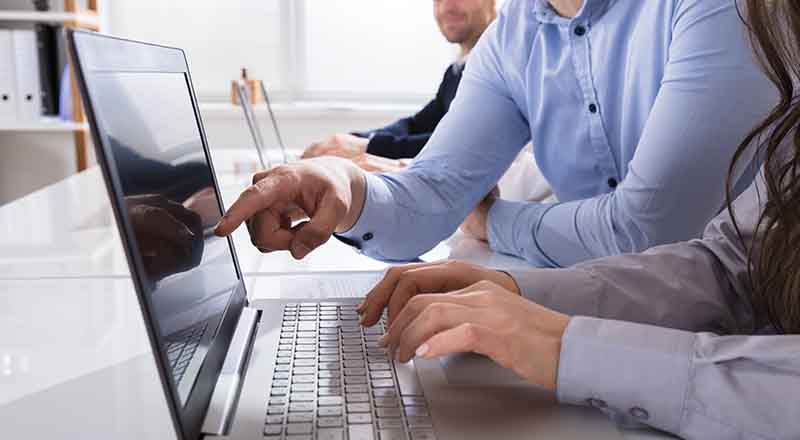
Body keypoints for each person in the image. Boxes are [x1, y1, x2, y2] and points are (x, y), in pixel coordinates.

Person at [342, 1, 800, 440]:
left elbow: (647, 229)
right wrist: (514, 294)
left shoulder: (731, 11)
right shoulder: (514, 34)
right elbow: (733, 267)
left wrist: (571, 350)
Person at [216, 0, 776, 269]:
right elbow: (431, 196)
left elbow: (651, 233)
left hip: (754, 337)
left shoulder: (717, 7)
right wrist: (343, 186)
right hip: (624, 310)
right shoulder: (512, 39)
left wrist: (492, 221)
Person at [301, 0, 497, 165]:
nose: (446, 7)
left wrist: (368, 147)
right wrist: (351, 141)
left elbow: (461, 144)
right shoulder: (457, 70)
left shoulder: (498, 66)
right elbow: (417, 125)